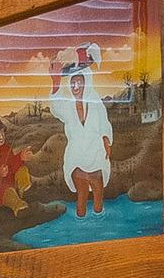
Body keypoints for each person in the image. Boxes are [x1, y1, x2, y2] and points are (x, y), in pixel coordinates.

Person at [48, 47, 117, 219]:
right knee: (82, 194)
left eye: (79, 82)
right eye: (72, 83)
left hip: (96, 154)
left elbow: (104, 122)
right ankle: (81, 224)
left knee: (98, 192)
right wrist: (55, 82)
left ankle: (99, 221)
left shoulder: (95, 101)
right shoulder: (67, 105)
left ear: (86, 82)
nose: (76, 87)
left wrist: (106, 139)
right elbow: (56, 108)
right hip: (76, 156)